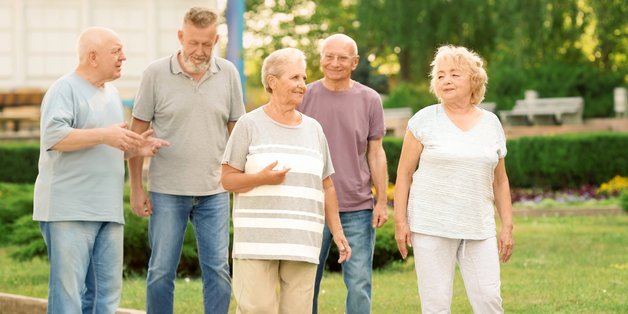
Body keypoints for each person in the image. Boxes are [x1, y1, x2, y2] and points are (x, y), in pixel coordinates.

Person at [33, 27, 169, 314]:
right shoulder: (64, 89)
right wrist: (104, 135)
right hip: (68, 210)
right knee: (67, 298)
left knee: (106, 298)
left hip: (107, 211)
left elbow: (104, 146)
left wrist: (135, 149)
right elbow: (54, 137)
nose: (124, 57)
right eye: (116, 51)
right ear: (93, 57)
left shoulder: (112, 93)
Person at [128, 6, 245, 314]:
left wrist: (242, 179)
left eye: (207, 44)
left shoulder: (229, 73)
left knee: (218, 269)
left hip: (214, 192)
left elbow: (238, 132)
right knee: (161, 271)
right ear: (181, 36)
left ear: (216, 39)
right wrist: (137, 188)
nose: (200, 50)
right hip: (167, 190)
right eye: (193, 42)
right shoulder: (155, 73)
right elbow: (136, 135)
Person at [221, 47, 351, 314]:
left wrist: (337, 232)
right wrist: (261, 178)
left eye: (303, 78)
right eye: (294, 78)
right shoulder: (248, 124)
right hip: (257, 243)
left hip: (302, 242)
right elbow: (227, 179)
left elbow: (326, 184)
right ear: (272, 81)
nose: (302, 85)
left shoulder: (314, 129)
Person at [393, 45, 514, 313]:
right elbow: (403, 175)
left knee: (489, 300)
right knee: (435, 305)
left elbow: (500, 181)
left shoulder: (491, 123)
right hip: (431, 224)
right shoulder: (423, 121)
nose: (445, 80)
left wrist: (507, 226)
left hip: (478, 226)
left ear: (474, 80)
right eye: (440, 75)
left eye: (455, 74)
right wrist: (400, 221)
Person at [298, 33, 388, 314]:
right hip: (311, 205)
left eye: (342, 57)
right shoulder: (303, 95)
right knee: (304, 283)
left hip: (357, 207)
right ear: (321, 58)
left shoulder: (370, 99)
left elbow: (376, 153)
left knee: (360, 282)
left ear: (355, 62)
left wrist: (382, 201)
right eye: (329, 56)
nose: (334, 63)